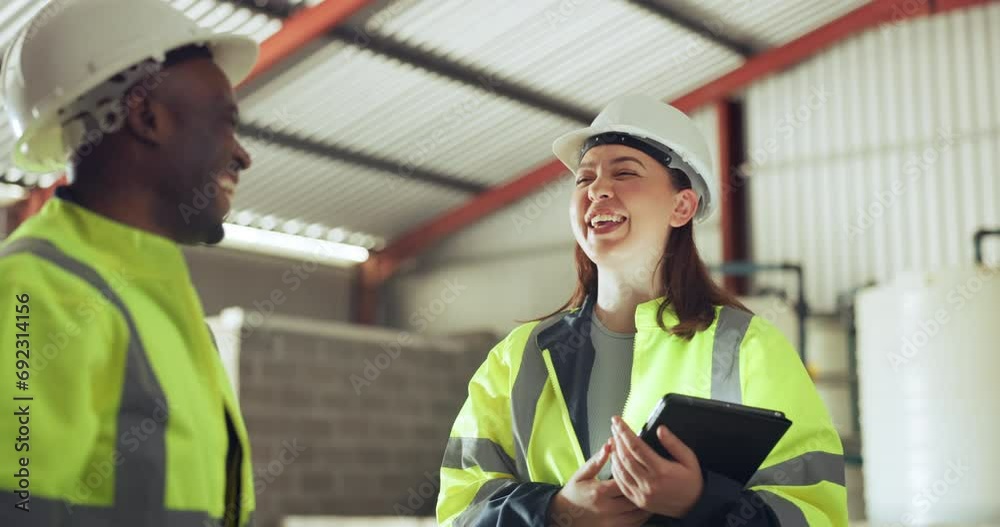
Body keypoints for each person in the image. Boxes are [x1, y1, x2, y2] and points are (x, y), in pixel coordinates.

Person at [437, 94, 848, 525]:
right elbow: (459, 513)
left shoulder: (749, 347)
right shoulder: (516, 359)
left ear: (681, 206)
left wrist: (702, 503)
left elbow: (815, 513)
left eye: (625, 172)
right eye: (584, 178)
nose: (597, 188)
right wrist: (555, 512)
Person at [0, 0, 260, 525]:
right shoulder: (37, 291)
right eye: (224, 123)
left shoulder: (163, 304)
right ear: (145, 116)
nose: (241, 154)